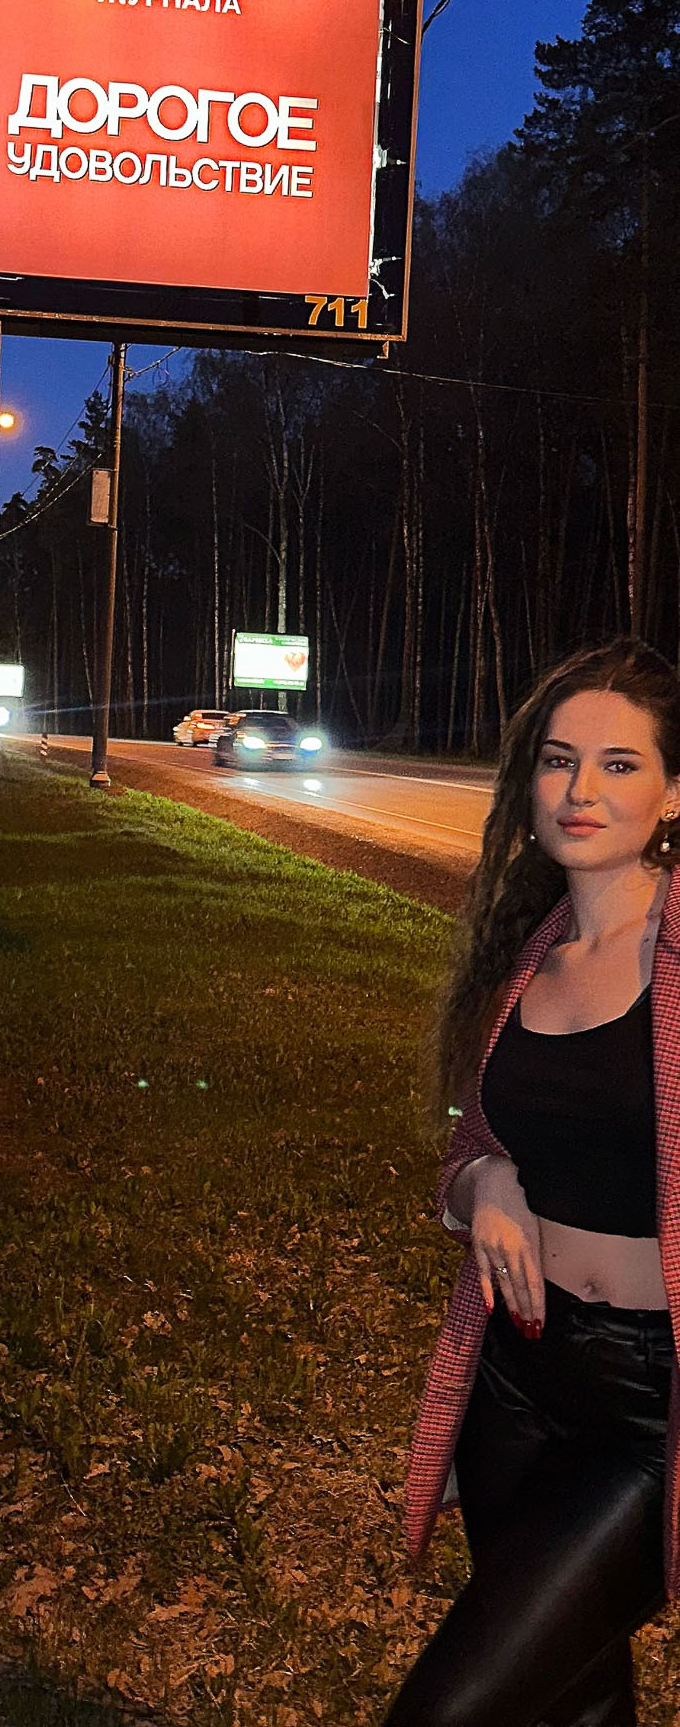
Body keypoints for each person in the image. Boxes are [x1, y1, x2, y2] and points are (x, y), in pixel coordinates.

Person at [389, 638, 680, 1727]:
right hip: (516, 1378)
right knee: (575, 1698)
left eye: (619, 764)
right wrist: (487, 1184)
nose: (580, 790)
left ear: (673, 792)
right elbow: (468, 1144)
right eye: (560, 761)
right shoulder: (524, 958)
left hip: (650, 1408)